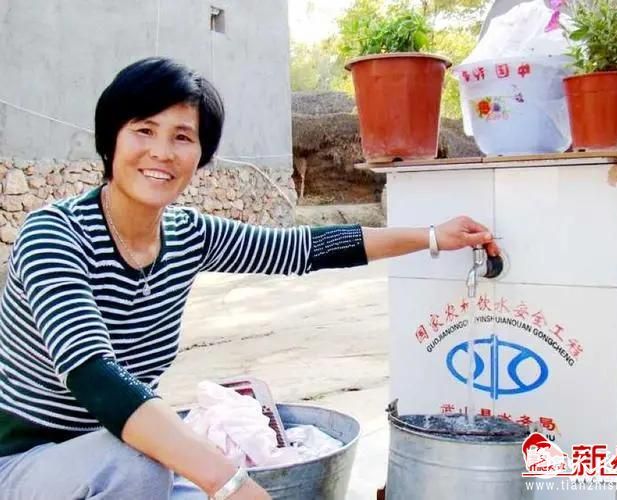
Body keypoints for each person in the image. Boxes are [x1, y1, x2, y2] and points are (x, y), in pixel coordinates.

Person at [0, 57, 500, 500]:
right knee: (150, 467)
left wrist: (433, 236)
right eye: (144, 130)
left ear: (201, 155)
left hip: (113, 451)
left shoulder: (187, 234)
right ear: (111, 138)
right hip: (24, 460)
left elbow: (305, 249)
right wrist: (230, 483)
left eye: (182, 137)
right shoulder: (55, 234)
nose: (162, 152)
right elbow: (94, 374)